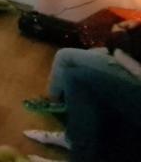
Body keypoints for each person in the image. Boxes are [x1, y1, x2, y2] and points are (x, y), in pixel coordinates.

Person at [22, 21, 141, 161]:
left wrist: (118, 41)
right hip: (128, 56)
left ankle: (56, 108)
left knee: (72, 70)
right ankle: (72, 136)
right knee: (79, 65)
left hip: (134, 71)